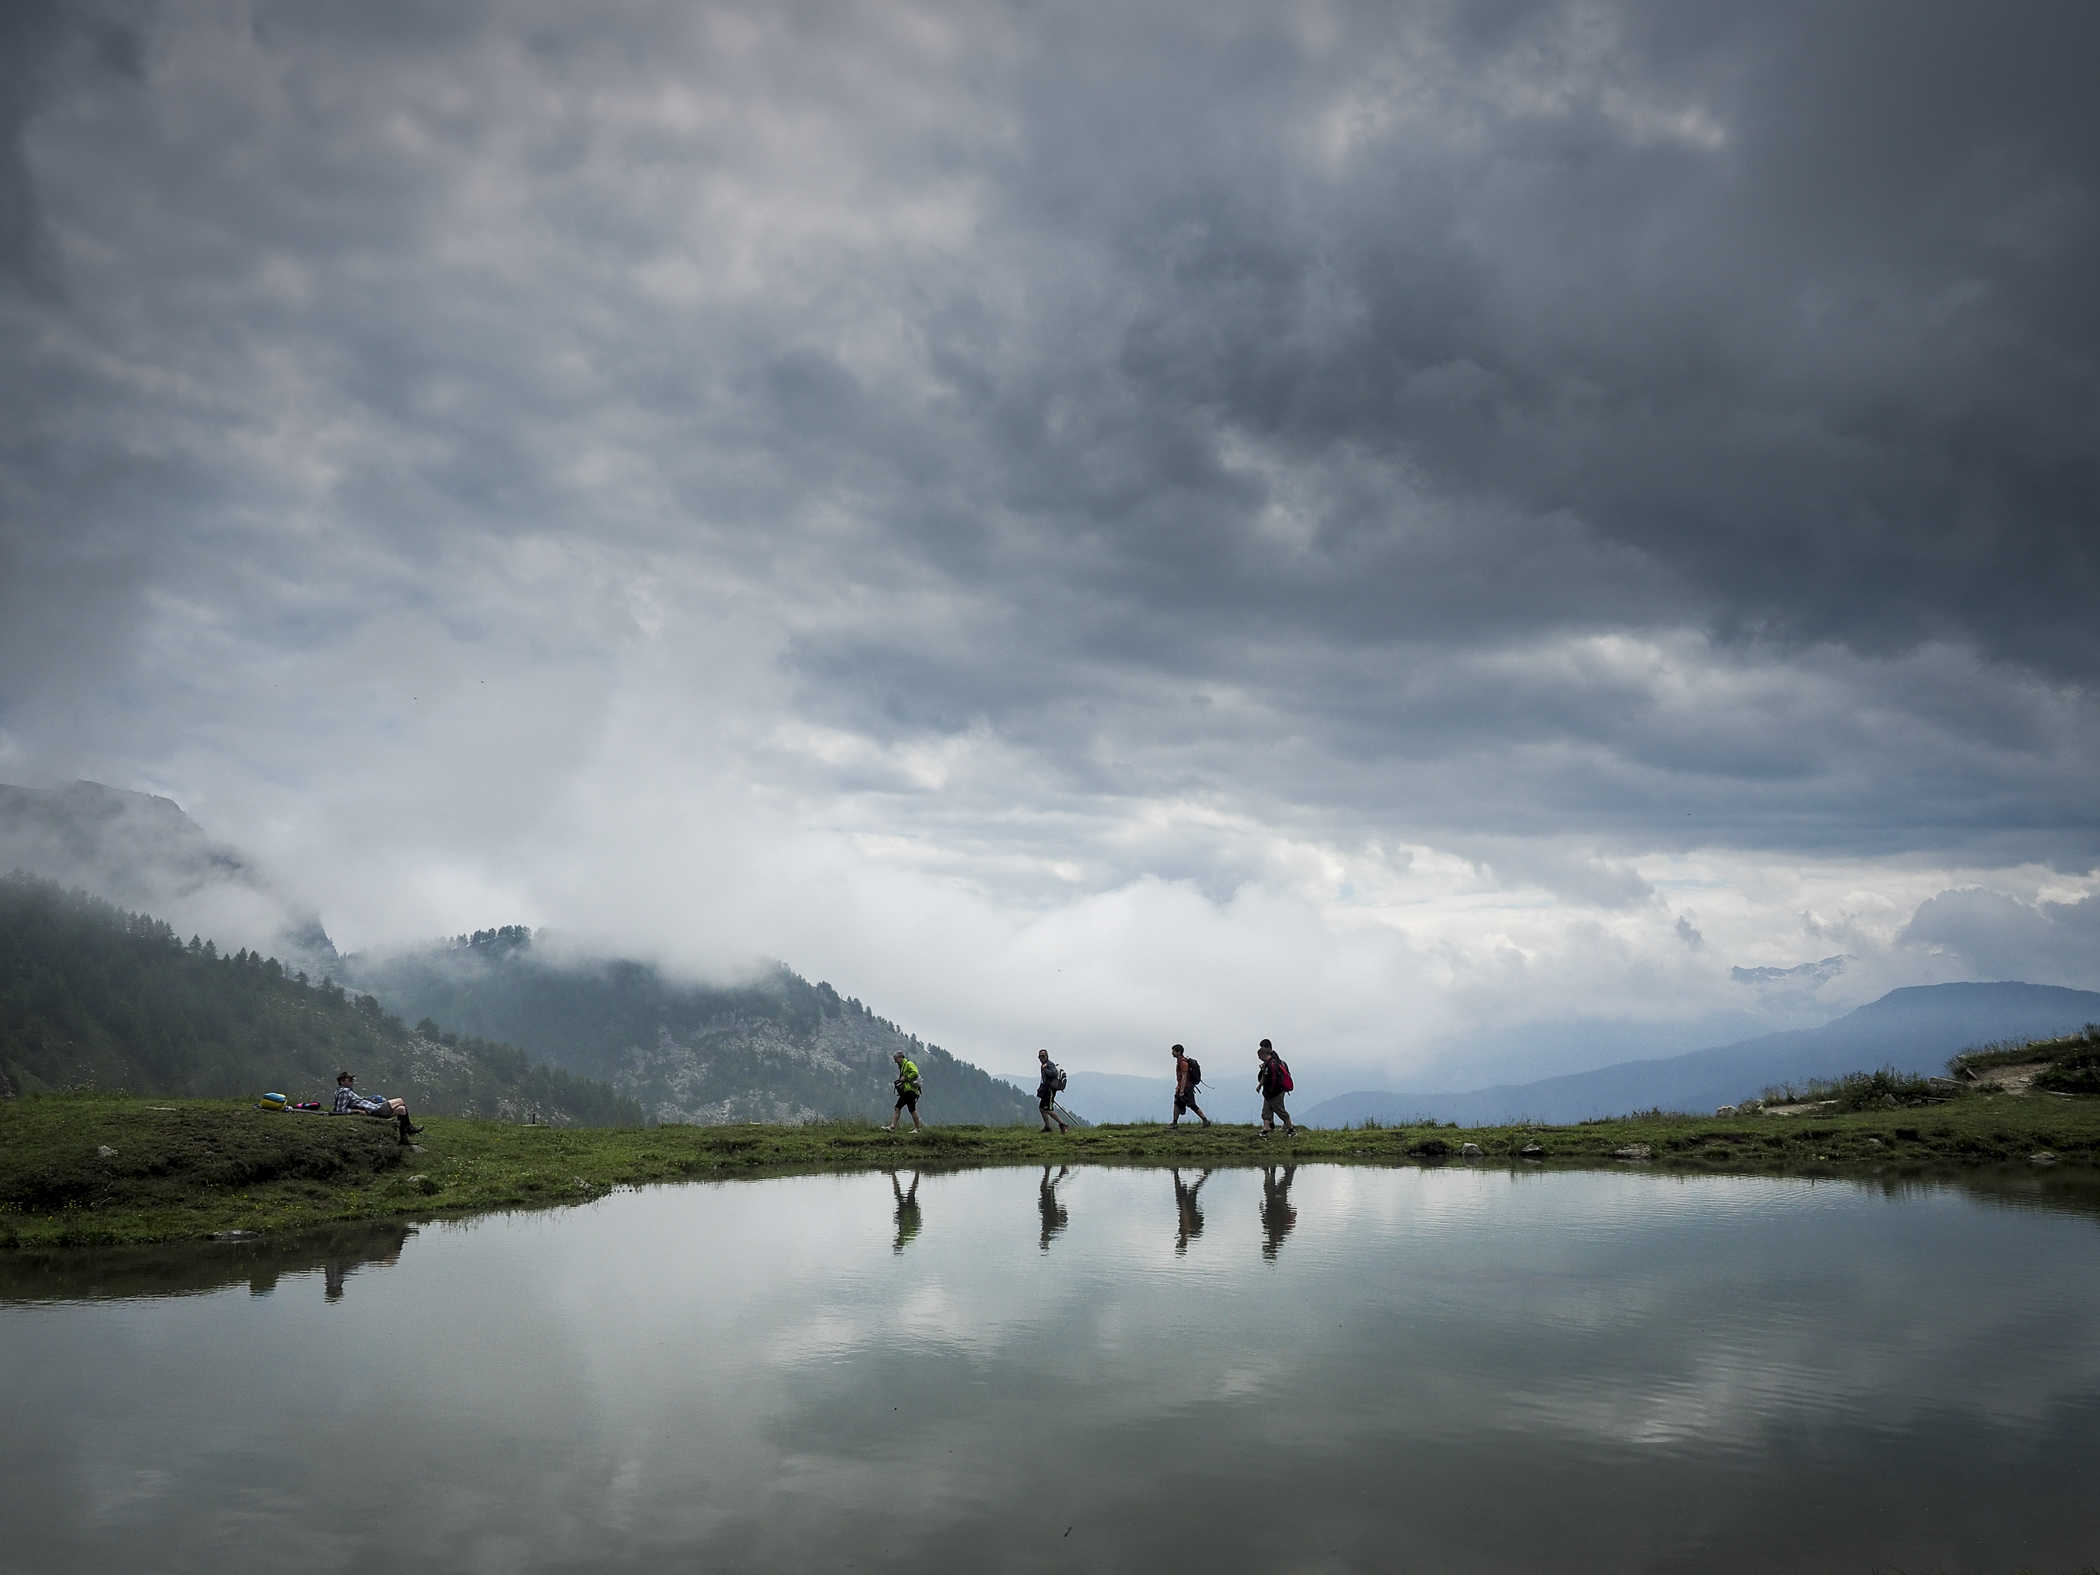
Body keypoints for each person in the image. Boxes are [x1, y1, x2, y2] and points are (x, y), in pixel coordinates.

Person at [331, 1071, 421, 1142]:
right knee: (400, 1101)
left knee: (402, 1110)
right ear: (342, 1081)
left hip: (374, 1108)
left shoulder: (346, 1091)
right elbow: (340, 1110)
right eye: (350, 1079)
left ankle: (404, 1138)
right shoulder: (344, 1092)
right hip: (375, 1110)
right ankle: (409, 1128)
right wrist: (356, 1111)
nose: (352, 1081)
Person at [1254, 1040, 1297, 1137]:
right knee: (1266, 1111)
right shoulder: (1268, 1064)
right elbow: (1265, 1077)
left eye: (1260, 1056)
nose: (1259, 1058)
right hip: (1268, 1093)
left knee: (1280, 1111)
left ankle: (1291, 1129)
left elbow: (1274, 1079)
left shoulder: (1273, 1064)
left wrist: (1271, 1091)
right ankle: (1265, 1131)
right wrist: (1260, 1086)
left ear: (1264, 1054)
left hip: (1274, 1093)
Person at [1260, 1164, 1299, 1260]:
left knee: (1272, 1187)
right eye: (1268, 1246)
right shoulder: (1279, 1234)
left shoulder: (1275, 1234)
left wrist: (1262, 1211)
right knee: (1282, 1186)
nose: (1267, 1242)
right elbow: (1267, 1221)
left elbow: (1266, 1221)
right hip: (1278, 1206)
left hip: (1274, 1206)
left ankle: (1271, 1171)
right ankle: (1280, 1170)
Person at [1169, 1044, 1210, 1127]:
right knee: (1177, 1103)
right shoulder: (1181, 1062)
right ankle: (1174, 1122)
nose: (1172, 1053)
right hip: (1183, 1087)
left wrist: (1181, 1090)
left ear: (1178, 1052)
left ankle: (1205, 1120)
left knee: (1191, 1104)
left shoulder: (1183, 1063)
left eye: (1173, 1051)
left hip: (1186, 1087)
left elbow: (1184, 1077)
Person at [1172, 1168, 1209, 1256]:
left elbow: (1183, 1218)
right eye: (1179, 1244)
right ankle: (1206, 1174)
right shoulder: (1187, 1233)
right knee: (1193, 1190)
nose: (1178, 1242)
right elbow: (1185, 1218)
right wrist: (1183, 1206)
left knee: (1191, 1190)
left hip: (1186, 1207)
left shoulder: (1185, 1233)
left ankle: (1175, 1171)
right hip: (1187, 1208)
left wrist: (1183, 1206)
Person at [884, 1050, 922, 1132]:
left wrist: (906, 1078)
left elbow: (915, 1073)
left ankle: (917, 1129)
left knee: (905, 1109)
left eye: (896, 1059)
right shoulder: (902, 1066)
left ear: (900, 1057)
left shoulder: (908, 1064)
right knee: (903, 1108)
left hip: (910, 1090)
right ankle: (893, 1127)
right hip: (907, 1091)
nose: (895, 1062)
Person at [1035, 1047, 1069, 1134]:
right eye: (1040, 1057)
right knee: (1042, 1108)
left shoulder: (1049, 1064)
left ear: (1047, 1056)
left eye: (1043, 1056)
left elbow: (1054, 1073)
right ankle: (1047, 1127)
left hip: (1050, 1091)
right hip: (1046, 1090)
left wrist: (1045, 1069)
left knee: (1047, 1109)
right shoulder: (1045, 1065)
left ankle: (1062, 1124)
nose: (1041, 1058)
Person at [1038, 1164, 1070, 1251]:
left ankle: (1050, 1170)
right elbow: (1061, 1221)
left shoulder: (1047, 1229)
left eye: (1042, 1240)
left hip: (1045, 1206)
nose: (1042, 1237)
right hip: (1048, 1206)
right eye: (1043, 1240)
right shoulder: (1052, 1229)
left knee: (1044, 1188)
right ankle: (1057, 1172)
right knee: (1047, 1188)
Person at [890, 1170, 922, 1253]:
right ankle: (917, 1172)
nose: (895, 1239)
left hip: (907, 1212)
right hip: (909, 1211)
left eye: (895, 1241)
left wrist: (898, 1217)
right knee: (910, 1192)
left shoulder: (906, 1237)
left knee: (905, 1192)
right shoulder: (906, 1237)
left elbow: (903, 1223)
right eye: (896, 1242)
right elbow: (909, 1223)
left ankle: (893, 1173)